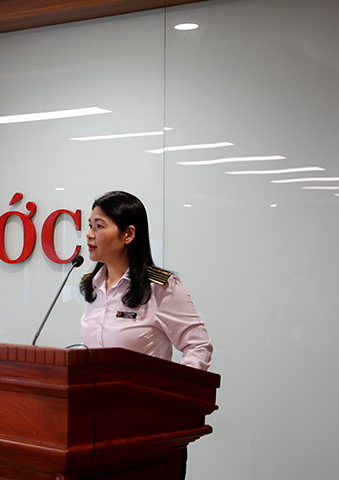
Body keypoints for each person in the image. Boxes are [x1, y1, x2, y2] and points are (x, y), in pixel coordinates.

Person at [79, 190, 213, 479]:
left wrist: (173, 399)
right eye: (89, 225)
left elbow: (198, 345)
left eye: (99, 226)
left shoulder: (160, 287)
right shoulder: (92, 285)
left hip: (148, 427)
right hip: (97, 425)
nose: (89, 234)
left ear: (128, 234)